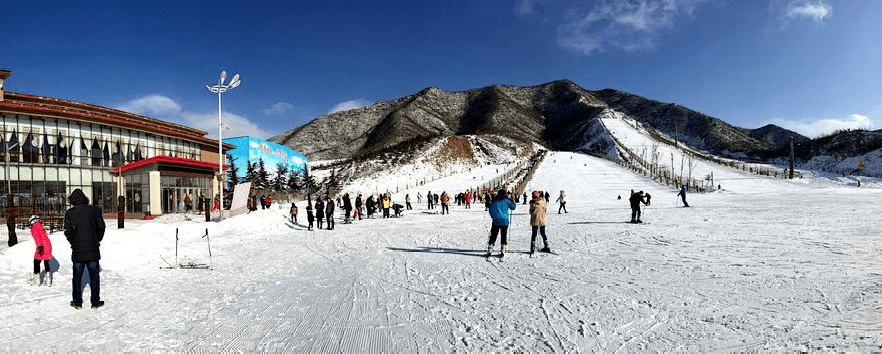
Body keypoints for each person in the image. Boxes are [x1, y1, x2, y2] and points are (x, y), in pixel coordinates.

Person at [63, 188, 106, 309]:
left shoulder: (70, 213)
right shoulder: (95, 211)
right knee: (94, 276)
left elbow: (68, 232)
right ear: (85, 199)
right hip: (92, 249)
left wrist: (74, 242)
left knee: (77, 277)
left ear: (72, 200)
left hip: (77, 251)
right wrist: (96, 240)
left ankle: (77, 301)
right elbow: (101, 228)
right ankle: (95, 302)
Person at [486, 189, 517, 258]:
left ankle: (490, 248)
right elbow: (513, 207)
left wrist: (493, 216)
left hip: (496, 220)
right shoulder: (506, 200)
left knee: (493, 235)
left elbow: (490, 209)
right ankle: (503, 249)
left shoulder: (494, 201)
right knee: (503, 235)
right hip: (504, 220)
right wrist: (513, 201)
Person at [30, 215, 53, 286]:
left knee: (36, 261)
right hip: (48, 245)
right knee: (46, 262)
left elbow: (37, 238)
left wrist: (40, 246)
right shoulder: (40, 226)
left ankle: (36, 280)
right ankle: (48, 280)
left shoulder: (34, 228)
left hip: (42, 246)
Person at [529, 191, 551, 255]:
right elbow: (545, 210)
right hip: (542, 219)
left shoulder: (533, 202)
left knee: (534, 233)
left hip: (535, 219)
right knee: (543, 233)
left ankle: (532, 248)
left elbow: (531, 211)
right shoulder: (543, 201)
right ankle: (547, 246)